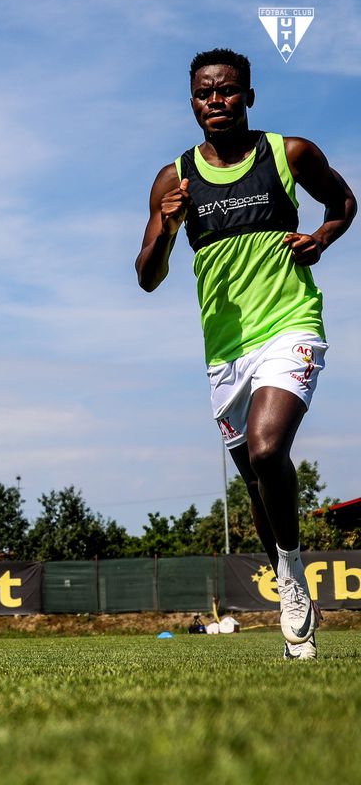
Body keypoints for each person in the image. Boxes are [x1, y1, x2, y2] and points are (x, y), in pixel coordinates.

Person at [136, 49, 356, 661]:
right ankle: (291, 573)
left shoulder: (289, 154)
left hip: (290, 325)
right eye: (205, 93)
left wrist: (320, 239)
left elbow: (344, 205)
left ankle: (288, 585)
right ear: (192, 103)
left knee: (268, 448)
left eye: (228, 91)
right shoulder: (174, 179)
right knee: (257, 484)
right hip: (225, 352)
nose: (216, 101)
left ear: (249, 96)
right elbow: (147, 276)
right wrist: (167, 224)